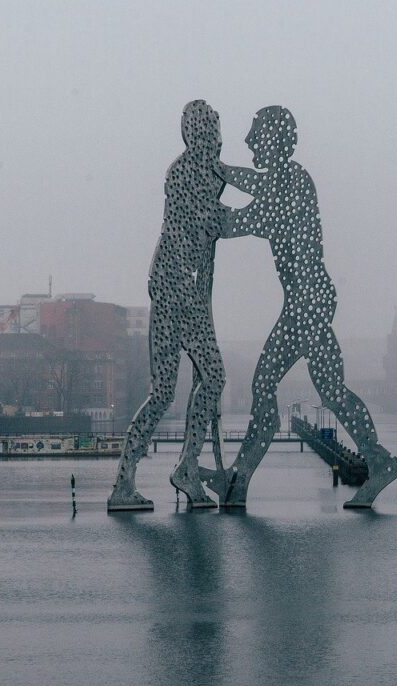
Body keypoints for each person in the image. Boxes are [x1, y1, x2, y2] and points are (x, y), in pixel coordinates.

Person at [202, 106, 397, 508]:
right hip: (304, 301)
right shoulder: (281, 180)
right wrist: (219, 173)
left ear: (273, 139)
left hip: (307, 301)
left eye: (255, 133)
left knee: (283, 388)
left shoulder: (293, 182)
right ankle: (238, 481)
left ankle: (238, 480)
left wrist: (211, 198)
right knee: (322, 389)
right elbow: (255, 187)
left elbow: (247, 218)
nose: (249, 141)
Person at [107, 100, 239, 510]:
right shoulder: (186, 172)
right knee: (210, 377)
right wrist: (260, 218)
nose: (218, 136)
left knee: (167, 391)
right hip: (177, 292)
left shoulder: (205, 170)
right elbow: (207, 220)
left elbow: (211, 218)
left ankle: (129, 482)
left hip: (175, 289)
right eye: (212, 129)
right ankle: (179, 469)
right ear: (198, 132)